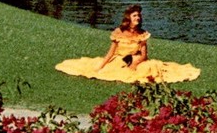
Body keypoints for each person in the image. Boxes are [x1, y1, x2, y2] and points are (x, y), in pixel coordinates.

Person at [55, 5, 200, 83]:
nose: (138, 17)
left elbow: (144, 54)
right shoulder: (119, 32)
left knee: (151, 68)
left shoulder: (142, 34)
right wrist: (100, 66)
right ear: (128, 18)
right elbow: (111, 52)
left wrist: (135, 63)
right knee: (110, 70)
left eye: (139, 15)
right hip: (119, 59)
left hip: (137, 59)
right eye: (135, 16)